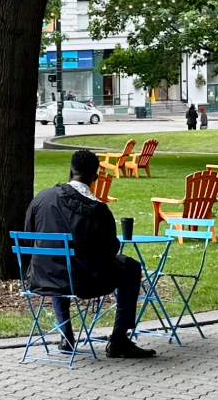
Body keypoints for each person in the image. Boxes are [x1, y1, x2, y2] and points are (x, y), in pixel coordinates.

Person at [19, 150, 156, 359]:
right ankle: (119, 338)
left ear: (70, 170)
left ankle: (66, 336)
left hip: (41, 277)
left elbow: (28, 239)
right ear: (95, 176)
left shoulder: (42, 198)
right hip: (83, 282)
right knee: (132, 267)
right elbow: (109, 252)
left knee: (59, 262)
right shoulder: (98, 211)